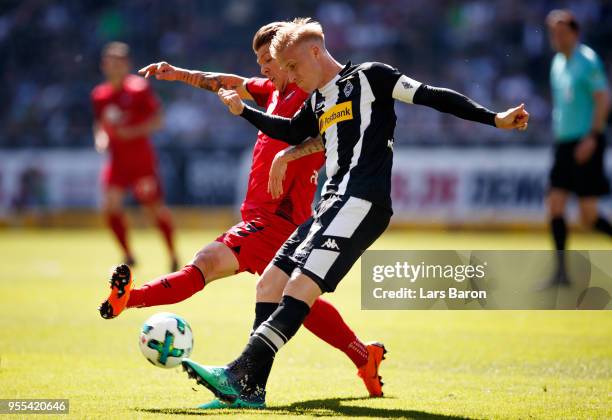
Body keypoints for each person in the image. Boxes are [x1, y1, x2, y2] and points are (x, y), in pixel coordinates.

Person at [181, 17, 530, 408]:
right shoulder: (318, 98)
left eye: (294, 67)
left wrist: (493, 118)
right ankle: (249, 391)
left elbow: (434, 96)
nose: (291, 77)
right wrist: (244, 111)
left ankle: (238, 373)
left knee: (298, 287)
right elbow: (293, 132)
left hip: (363, 202)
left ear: (316, 51)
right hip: (330, 203)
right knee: (270, 285)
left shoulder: (372, 77)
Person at [98, 23, 386, 408]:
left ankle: (131, 300)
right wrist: (178, 73)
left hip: (277, 220)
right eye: (260, 61)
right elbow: (225, 81)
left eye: (270, 61)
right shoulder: (272, 91)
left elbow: (330, 138)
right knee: (298, 302)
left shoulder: (314, 97)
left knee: (208, 261)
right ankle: (363, 355)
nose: (264, 68)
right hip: (270, 218)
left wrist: (290, 154)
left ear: (291, 60)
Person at [91, 42, 178, 271]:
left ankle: (172, 254)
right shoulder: (100, 95)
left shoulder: (138, 89)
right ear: (104, 65)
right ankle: (128, 255)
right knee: (110, 206)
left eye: (119, 62)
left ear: (127, 64)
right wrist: (101, 139)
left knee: (153, 209)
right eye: (110, 62)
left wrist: (130, 132)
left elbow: (157, 121)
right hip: (117, 161)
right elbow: (100, 124)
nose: (114, 66)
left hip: (141, 161)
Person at [545, 9, 611, 286]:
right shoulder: (558, 63)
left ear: (575, 33)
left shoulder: (587, 60)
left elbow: (602, 98)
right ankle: (561, 273)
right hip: (563, 143)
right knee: (555, 205)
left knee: (588, 216)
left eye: (561, 32)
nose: (556, 38)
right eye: (553, 33)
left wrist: (593, 136)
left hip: (585, 141)